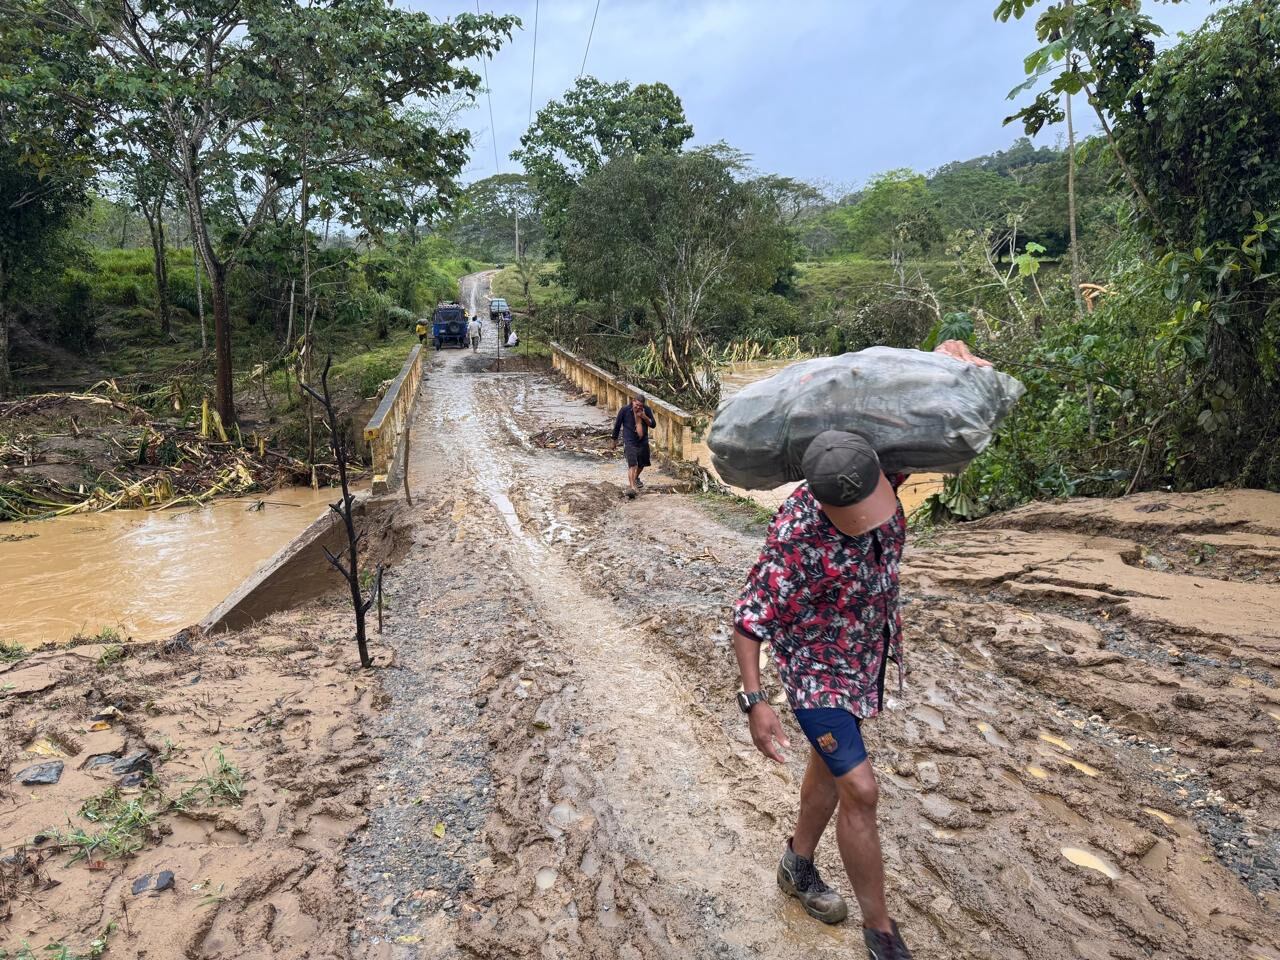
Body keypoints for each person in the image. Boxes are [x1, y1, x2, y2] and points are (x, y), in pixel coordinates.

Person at [730, 340, 989, 960]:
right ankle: (881, 933)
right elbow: (747, 620)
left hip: (864, 659)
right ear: (823, 500)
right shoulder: (795, 537)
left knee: (828, 773)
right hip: (816, 670)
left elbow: (900, 401)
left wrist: (942, 360)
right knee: (862, 789)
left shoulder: (869, 470)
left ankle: (796, 866)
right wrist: (756, 703)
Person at [610, 393, 655, 498]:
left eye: (640, 406)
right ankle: (632, 487)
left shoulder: (646, 410)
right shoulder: (624, 410)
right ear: (633, 401)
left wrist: (644, 416)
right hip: (629, 440)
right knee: (632, 464)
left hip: (642, 441)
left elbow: (653, 424)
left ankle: (635, 478)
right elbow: (617, 425)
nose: (638, 407)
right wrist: (614, 440)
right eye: (637, 405)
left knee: (642, 464)